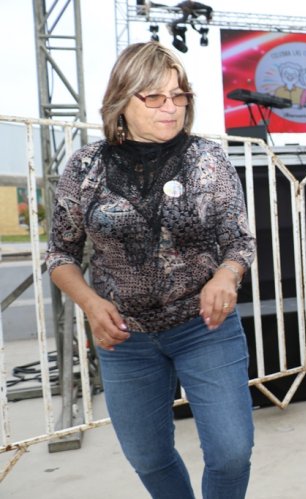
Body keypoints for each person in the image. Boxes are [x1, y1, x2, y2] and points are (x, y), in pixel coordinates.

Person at [46, 42, 255, 499]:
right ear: (122, 100)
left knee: (232, 452)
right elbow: (59, 254)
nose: (172, 107)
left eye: (179, 96)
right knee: (147, 456)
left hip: (205, 328)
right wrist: (90, 302)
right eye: (155, 97)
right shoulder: (85, 166)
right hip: (125, 336)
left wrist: (225, 276)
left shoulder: (208, 160)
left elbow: (239, 241)